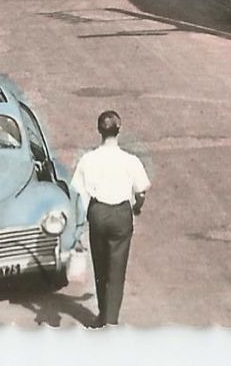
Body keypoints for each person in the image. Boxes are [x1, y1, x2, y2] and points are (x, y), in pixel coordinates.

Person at [70, 110, 151, 328]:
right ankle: (111, 321)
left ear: (99, 130)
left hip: (98, 213)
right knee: (117, 268)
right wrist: (136, 207)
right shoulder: (130, 160)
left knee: (100, 265)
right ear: (119, 130)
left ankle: (102, 313)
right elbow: (141, 192)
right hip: (121, 214)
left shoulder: (88, 159)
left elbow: (77, 192)